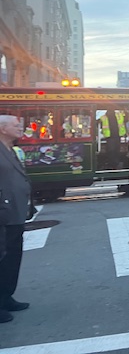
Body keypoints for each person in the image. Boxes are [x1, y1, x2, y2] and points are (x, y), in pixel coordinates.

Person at [0, 115, 32, 323]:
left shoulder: (10, 149)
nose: (20, 128)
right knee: (3, 258)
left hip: (15, 213)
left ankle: (6, 297)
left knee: (12, 258)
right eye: (15, 125)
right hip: (4, 213)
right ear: (3, 129)